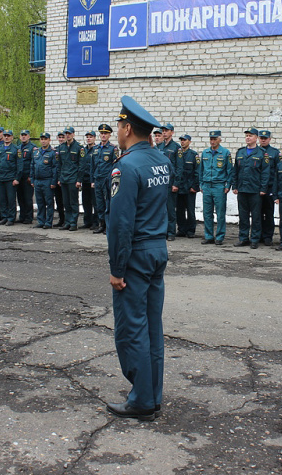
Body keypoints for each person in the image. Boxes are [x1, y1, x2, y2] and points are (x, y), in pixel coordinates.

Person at [105, 95, 170, 421]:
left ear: (128, 128)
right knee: (152, 327)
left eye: (119, 126)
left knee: (132, 328)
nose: (117, 131)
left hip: (136, 255)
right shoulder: (162, 160)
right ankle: (152, 395)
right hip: (158, 250)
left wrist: (117, 269)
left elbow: (120, 224)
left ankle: (142, 400)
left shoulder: (126, 166)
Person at [232, 127, 270, 249]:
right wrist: (235, 185)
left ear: (256, 138)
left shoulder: (262, 153)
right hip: (242, 189)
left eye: (250, 136)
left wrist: (263, 188)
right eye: (247, 136)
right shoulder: (240, 152)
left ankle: (254, 239)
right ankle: (243, 238)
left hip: (255, 190)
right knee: (243, 216)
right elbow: (235, 171)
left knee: (256, 216)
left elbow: (265, 172)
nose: (248, 138)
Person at [199, 130, 233, 246]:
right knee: (207, 213)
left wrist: (228, 185)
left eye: (214, 139)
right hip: (207, 186)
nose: (212, 141)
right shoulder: (205, 153)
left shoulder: (225, 153)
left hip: (219, 186)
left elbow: (229, 171)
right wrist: (201, 184)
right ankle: (208, 236)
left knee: (220, 213)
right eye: (211, 139)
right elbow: (201, 170)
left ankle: (219, 237)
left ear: (220, 139)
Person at [91, 124, 119, 234]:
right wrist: (92, 180)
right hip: (97, 179)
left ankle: (109, 225)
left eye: (105, 133)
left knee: (108, 203)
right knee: (99, 203)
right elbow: (92, 166)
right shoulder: (96, 149)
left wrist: (113, 180)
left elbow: (116, 166)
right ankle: (101, 224)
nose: (103, 135)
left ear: (109, 135)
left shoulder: (113, 149)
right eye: (102, 133)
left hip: (107, 180)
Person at [31, 132, 59, 229]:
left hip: (47, 180)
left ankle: (48, 222)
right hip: (38, 180)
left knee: (49, 202)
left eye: (45, 139)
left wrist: (53, 182)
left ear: (49, 140)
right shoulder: (36, 152)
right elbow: (32, 166)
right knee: (40, 202)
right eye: (42, 139)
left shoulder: (53, 152)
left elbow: (55, 168)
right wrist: (32, 180)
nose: (43, 141)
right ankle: (41, 221)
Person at [158, 123, 181, 240]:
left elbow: (179, 167)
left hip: (170, 183)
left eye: (167, 131)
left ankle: (171, 232)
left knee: (170, 209)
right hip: (160, 182)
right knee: (160, 209)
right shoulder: (159, 147)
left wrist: (176, 183)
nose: (164, 133)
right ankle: (162, 231)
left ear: (172, 132)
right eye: (163, 131)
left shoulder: (176, 147)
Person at [57, 127, 83, 231]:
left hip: (73, 179)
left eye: (69, 133)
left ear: (73, 134)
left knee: (73, 202)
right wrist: (59, 178)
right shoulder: (61, 147)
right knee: (66, 202)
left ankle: (73, 223)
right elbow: (59, 165)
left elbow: (81, 165)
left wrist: (79, 180)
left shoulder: (79, 148)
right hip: (64, 178)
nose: (67, 135)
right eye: (66, 133)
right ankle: (67, 222)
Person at [0, 130, 20, 226]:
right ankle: (4, 217)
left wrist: (17, 178)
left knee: (11, 199)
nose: (6, 137)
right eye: (5, 136)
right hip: (0, 178)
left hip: (10, 178)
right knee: (1, 199)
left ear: (12, 137)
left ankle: (11, 218)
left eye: (8, 136)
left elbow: (19, 165)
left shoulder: (16, 149)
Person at [175, 134, 199, 238]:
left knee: (190, 210)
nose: (182, 142)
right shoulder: (178, 153)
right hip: (179, 187)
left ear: (189, 141)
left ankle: (191, 230)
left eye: (184, 140)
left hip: (189, 188)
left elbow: (197, 171)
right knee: (179, 210)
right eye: (181, 140)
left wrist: (195, 186)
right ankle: (181, 229)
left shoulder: (194, 155)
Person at [259, 130, 280, 246]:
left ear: (269, 139)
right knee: (258, 213)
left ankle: (268, 236)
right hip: (257, 188)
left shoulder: (275, 153)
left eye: (265, 138)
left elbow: (278, 171)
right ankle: (259, 235)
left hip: (270, 187)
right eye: (261, 138)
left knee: (269, 213)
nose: (263, 140)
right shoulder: (256, 152)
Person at [17, 130, 36, 224]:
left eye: (25, 135)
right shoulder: (18, 147)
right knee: (20, 198)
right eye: (22, 135)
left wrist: (31, 176)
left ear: (29, 136)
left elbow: (34, 163)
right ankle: (22, 216)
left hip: (27, 177)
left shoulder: (32, 148)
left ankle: (29, 217)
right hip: (19, 177)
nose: (23, 137)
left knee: (28, 198)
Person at [80, 131, 97, 228]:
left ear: (94, 138)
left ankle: (95, 222)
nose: (88, 139)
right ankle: (87, 222)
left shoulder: (96, 150)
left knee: (95, 202)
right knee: (86, 202)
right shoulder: (83, 150)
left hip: (93, 180)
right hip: (85, 179)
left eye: (90, 137)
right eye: (87, 137)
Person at [52, 132, 66, 227]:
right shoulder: (55, 150)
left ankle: (68, 220)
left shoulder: (67, 149)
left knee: (67, 201)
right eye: (59, 137)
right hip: (56, 179)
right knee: (59, 201)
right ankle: (61, 219)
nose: (61, 139)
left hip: (65, 179)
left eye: (62, 137)